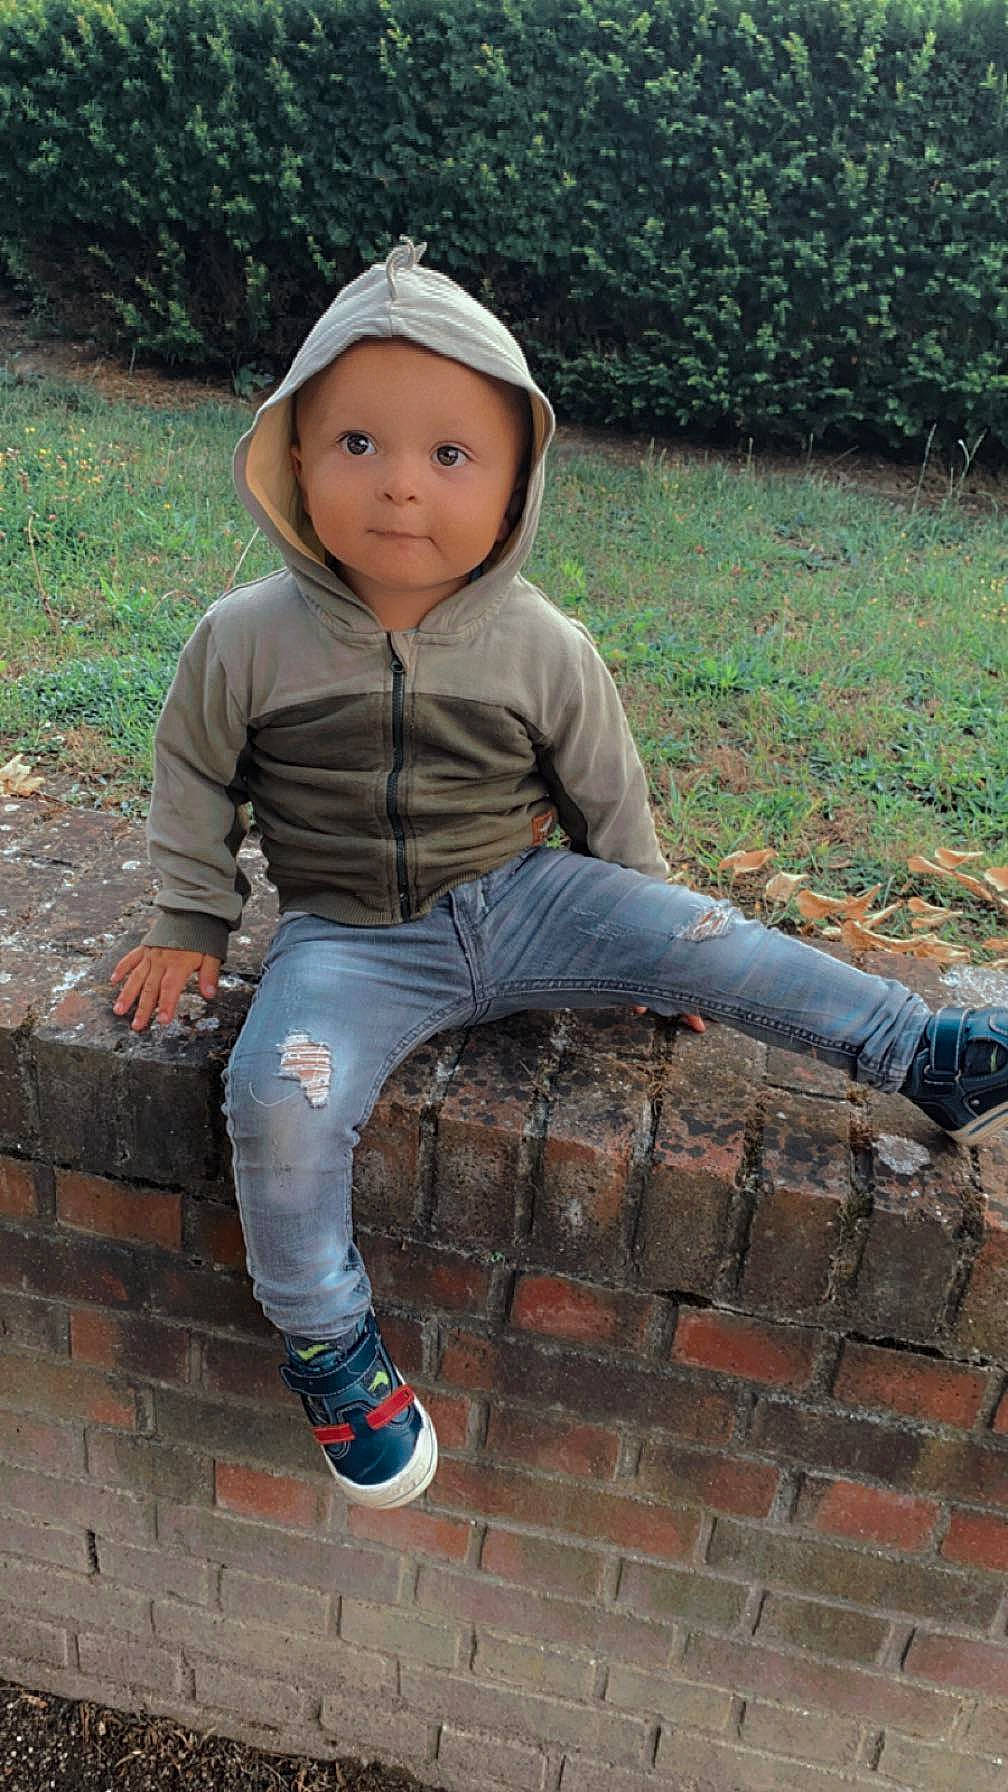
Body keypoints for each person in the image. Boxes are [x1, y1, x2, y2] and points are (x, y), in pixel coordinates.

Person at [111, 238, 1008, 1512]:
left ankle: (928, 1054)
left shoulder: (543, 643)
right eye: (355, 444)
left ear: (518, 479)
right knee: (276, 1097)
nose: (400, 489)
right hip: (347, 940)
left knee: (713, 937)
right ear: (292, 464)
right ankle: (329, 1345)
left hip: (529, 900)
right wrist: (191, 916)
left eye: (450, 454)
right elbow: (193, 776)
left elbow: (607, 792)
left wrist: (642, 925)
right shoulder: (243, 640)